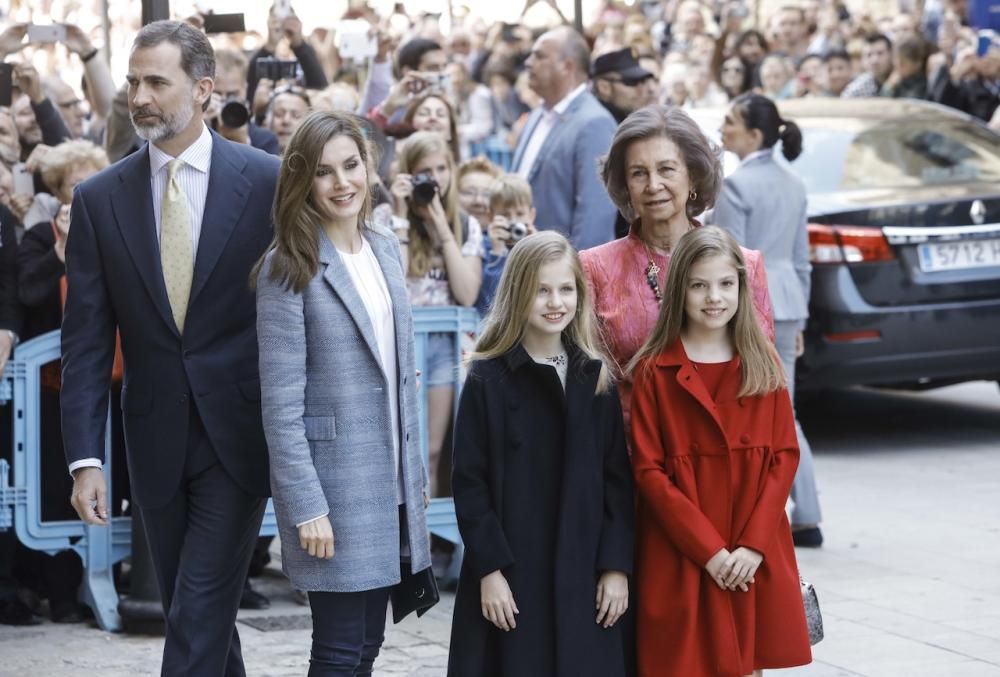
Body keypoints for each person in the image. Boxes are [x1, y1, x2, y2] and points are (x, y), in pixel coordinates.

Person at [60, 21, 280, 676]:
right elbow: (87, 342)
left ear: (204, 89)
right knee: (200, 609)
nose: (141, 96)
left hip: (239, 437)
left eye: (158, 81)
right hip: (151, 439)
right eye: (133, 81)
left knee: (197, 610)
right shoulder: (99, 199)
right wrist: (84, 457)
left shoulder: (268, 181)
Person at [255, 110, 431, 676]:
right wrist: (307, 506)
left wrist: (416, 479)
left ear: (368, 164)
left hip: (390, 481)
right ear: (303, 180)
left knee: (367, 647)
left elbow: (402, 374)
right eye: (324, 172)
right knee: (337, 648)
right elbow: (280, 406)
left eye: (351, 166)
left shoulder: (383, 249)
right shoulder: (287, 266)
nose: (342, 183)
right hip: (332, 489)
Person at [628, 226, 812, 677]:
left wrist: (751, 546)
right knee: (685, 663)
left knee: (748, 663)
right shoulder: (656, 372)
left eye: (726, 283)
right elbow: (649, 471)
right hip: (685, 550)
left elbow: (784, 457)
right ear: (679, 291)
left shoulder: (761, 360)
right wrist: (710, 551)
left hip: (753, 545)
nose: (715, 297)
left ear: (741, 287)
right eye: (699, 285)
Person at [448, 231, 634, 677]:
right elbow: (469, 483)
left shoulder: (595, 378)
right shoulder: (487, 379)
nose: (556, 302)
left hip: (584, 571)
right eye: (542, 290)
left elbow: (618, 482)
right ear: (518, 294)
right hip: (514, 572)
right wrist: (489, 570)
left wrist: (615, 566)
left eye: (566, 289)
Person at [581, 104, 774, 435]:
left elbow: (762, 378)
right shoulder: (594, 268)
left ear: (693, 175)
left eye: (666, 169)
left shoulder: (745, 265)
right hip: (626, 460)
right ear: (625, 185)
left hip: (719, 455)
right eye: (638, 173)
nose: (653, 184)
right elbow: (585, 383)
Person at [714, 93, 823, 546]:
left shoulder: (735, 186)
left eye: (730, 122)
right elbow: (802, 259)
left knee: (758, 411)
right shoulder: (794, 183)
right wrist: (801, 316)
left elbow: (729, 262)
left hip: (752, 307)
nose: (722, 129)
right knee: (786, 409)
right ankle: (807, 511)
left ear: (754, 134)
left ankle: (784, 510)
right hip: (790, 303)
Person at [383, 131, 483, 496]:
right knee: (396, 448)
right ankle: (399, 536)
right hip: (397, 343)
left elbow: (468, 291)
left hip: (442, 345)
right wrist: (400, 214)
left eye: (443, 168)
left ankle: (427, 541)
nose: (436, 179)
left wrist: (442, 226)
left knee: (433, 448)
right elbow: (397, 282)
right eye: (426, 171)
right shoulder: (386, 215)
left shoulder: (465, 223)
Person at [511, 26, 618, 250]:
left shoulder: (594, 123)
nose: (529, 63)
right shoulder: (538, 114)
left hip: (559, 274)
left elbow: (594, 216)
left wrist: (579, 278)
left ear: (567, 66)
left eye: (539, 56)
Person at [474, 173, 537, 316]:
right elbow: (487, 303)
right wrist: (497, 253)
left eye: (520, 214)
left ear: (531, 216)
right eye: (505, 215)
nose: (513, 221)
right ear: (491, 217)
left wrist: (535, 251)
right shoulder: (483, 246)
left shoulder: (538, 245)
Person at [591, 47, 656, 124]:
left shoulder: (624, 119)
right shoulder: (599, 122)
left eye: (642, 81)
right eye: (631, 82)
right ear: (604, 87)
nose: (641, 90)